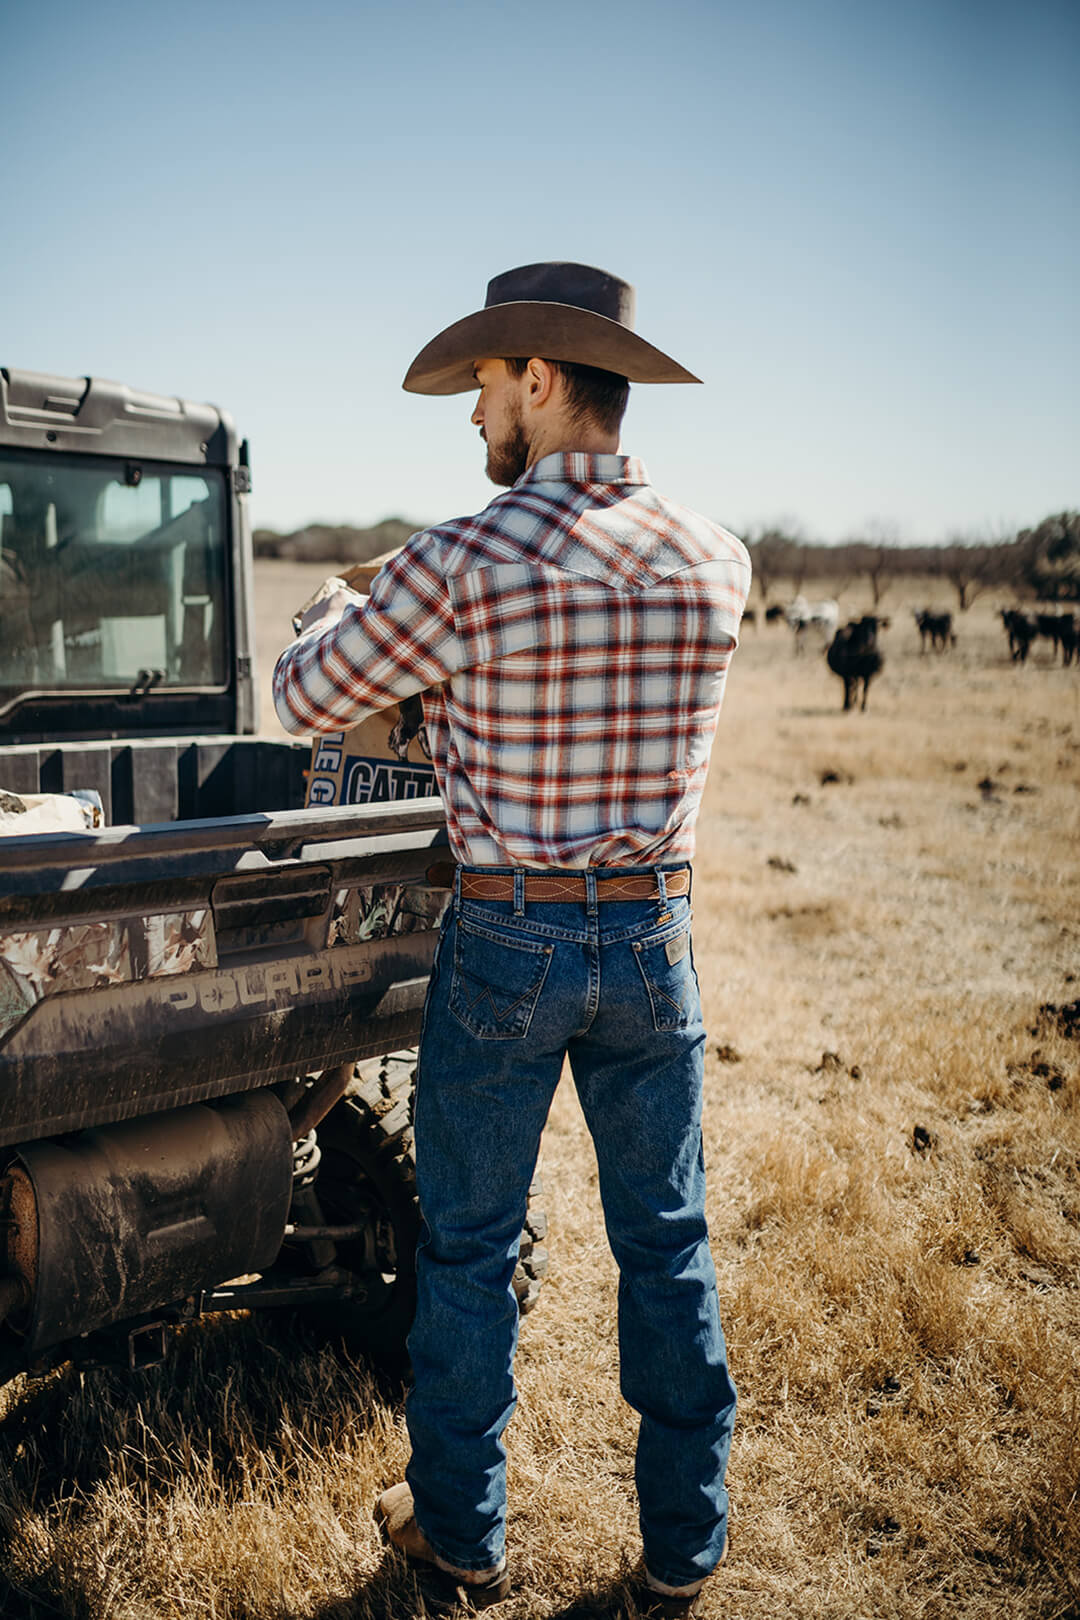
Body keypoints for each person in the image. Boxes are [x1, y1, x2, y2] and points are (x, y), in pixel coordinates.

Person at [273, 261, 751, 1618]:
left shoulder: (464, 559)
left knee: (471, 1248)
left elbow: (308, 693)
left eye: (485, 385)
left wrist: (344, 616)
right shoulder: (716, 557)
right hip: (655, 934)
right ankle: (683, 1546)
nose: (475, 416)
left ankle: (464, 1539)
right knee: (668, 1241)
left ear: (539, 381)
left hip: (507, 940)